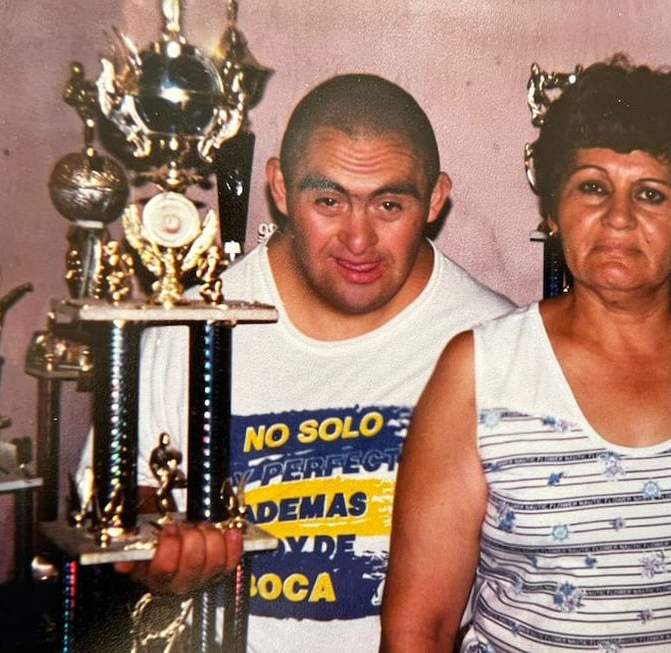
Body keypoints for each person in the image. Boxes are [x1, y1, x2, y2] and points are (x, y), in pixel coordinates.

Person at [381, 55, 671, 652]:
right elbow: (421, 627)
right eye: (592, 187)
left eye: (650, 194)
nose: (618, 218)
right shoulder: (480, 370)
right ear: (552, 212)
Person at [98, 73, 514, 651]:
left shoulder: (494, 340)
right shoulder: (187, 325)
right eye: (328, 201)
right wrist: (161, 551)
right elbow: (125, 497)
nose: (359, 239)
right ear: (279, 187)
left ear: (436, 198)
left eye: (389, 204)